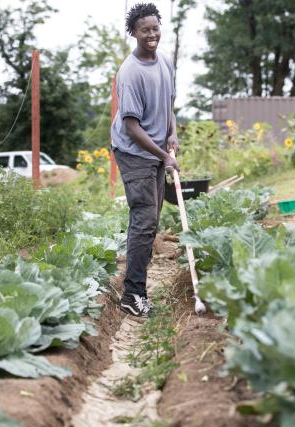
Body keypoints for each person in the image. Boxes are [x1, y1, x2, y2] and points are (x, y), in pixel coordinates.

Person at [111, 3, 180, 317]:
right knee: (145, 219)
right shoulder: (130, 72)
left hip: (155, 149)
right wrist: (164, 154)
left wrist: (172, 134)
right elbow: (131, 126)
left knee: (151, 219)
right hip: (135, 151)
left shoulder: (164, 62)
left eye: (155, 28)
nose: (152, 34)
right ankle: (132, 294)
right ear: (134, 33)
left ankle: (137, 288)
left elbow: (169, 104)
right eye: (144, 30)